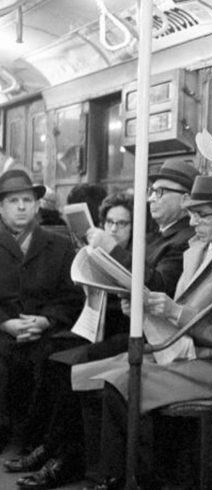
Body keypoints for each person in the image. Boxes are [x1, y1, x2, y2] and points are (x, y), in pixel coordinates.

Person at [4, 161, 200, 488]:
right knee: (58, 359)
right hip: (133, 326)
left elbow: (158, 284)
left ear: (185, 200)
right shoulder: (157, 239)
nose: (152, 198)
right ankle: (56, 450)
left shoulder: (180, 241)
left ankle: (70, 460)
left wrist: (111, 252)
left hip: (156, 338)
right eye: (150, 191)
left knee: (73, 363)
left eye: (161, 191)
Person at [73, 176, 212, 490]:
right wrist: (143, 310)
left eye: (202, 216)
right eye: (191, 214)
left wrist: (172, 311)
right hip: (184, 350)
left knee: (121, 382)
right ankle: (108, 475)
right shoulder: (200, 247)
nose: (194, 223)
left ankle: (134, 479)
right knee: (90, 376)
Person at [0, 169, 82, 452]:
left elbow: (72, 297)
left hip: (45, 332)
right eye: (13, 201)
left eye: (26, 200)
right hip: (3, 329)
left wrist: (45, 320)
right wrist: (5, 323)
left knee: (50, 357)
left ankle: (35, 441)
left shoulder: (59, 245)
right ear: (1, 207)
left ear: (37, 206)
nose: (21, 206)